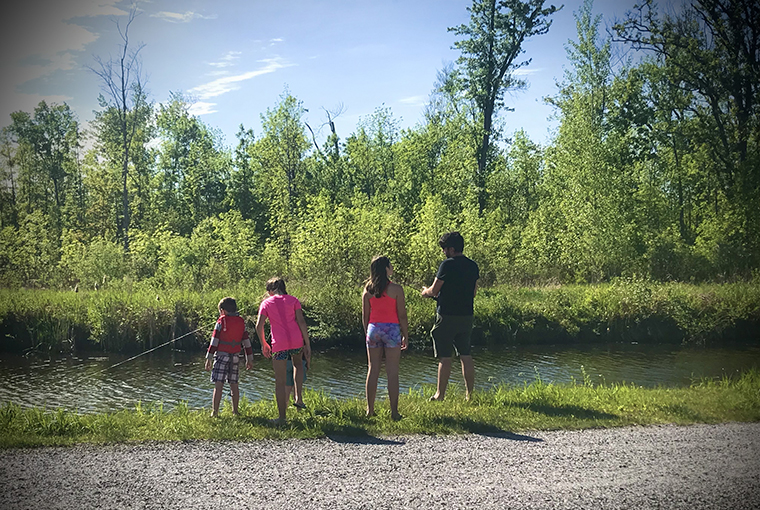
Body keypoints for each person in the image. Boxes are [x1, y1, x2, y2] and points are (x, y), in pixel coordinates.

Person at [421, 232, 479, 401]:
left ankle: (440, 395)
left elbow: (434, 290)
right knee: (465, 355)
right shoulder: (473, 266)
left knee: (445, 356)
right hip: (467, 315)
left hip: (446, 316)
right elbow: (473, 292)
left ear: (451, 249)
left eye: (444, 249)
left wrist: (426, 292)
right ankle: (470, 395)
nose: (443, 252)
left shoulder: (447, 265)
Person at [255, 277, 311, 424]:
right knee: (298, 365)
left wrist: (264, 344)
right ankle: (298, 397)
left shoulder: (266, 303)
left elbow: (258, 326)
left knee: (280, 382)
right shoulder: (293, 300)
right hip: (296, 341)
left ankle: (282, 418)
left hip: (279, 344)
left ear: (271, 291)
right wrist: (307, 343)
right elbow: (301, 322)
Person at [362, 256, 409, 420]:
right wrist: (406, 334)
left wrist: (367, 334)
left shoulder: (367, 290)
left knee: (372, 369)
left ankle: (370, 410)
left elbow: (365, 316)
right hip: (392, 330)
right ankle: (394, 412)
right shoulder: (396, 289)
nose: (392, 266)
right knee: (392, 372)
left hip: (373, 329)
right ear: (386, 269)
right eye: (390, 264)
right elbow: (402, 315)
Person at [204, 297, 253, 417]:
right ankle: (235, 411)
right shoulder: (241, 321)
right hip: (235, 357)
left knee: (218, 385)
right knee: (234, 384)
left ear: (222, 311)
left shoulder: (221, 322)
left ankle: (214, 412)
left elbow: (214, 342)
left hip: (221, 357)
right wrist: (249, 358)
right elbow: (246, 341)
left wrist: (208, 358)